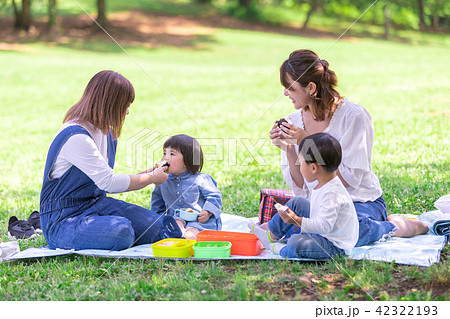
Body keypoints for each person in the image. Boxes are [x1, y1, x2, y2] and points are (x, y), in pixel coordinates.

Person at [269, 49, 428, 246]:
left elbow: (347, 181)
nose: (285, 93)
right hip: (321, 206)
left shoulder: (354, 117)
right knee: (307, 233)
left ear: (310, 87)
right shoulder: (293, 122)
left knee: (346, 234)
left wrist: (307, 142)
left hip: (360, 203)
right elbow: (302, 187)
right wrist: (289, 149)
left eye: (290, 87)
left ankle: (396, 226)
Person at [39, 70, 182, 251]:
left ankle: (102, 230)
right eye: (125, 105)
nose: (128, 111)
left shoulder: (107, 133)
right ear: (110, 104)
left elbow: (105, 180)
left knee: (164, 229)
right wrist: (152, 178)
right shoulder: (76, 136)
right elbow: (109, 182)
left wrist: (147, 174)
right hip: (63, 219)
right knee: (122, 231)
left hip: (98, 204)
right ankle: (102, 232)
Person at [253, 133, 358, 259]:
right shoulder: (324, 182)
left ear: (313, 168)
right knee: (297, 202)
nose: (300, 165)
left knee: (296, 243)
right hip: (323, 231)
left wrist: (297, 221)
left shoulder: (332, 193)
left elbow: (324, 226)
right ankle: (271, 235)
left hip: (334, 245)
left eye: (301, 162)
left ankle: (281, 249)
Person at [150, 134, 222, 240]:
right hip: (176, 219)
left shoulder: (201, 179)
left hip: (199, 220)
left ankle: (187, 238)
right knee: (174, 224)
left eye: (172, 154)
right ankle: (175, 234)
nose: (165, 157)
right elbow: (157, 202)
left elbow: (214, 196)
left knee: (191, 233)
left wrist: (207, 212)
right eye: (164, 153)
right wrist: (156, 219)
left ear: (187, 161)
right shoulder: (162, 180)